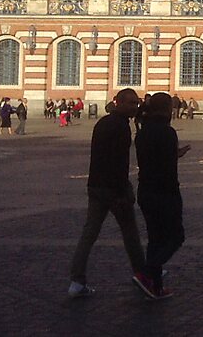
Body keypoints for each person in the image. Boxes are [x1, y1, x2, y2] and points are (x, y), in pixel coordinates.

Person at [67, 89, 147, 298]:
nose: (134, 107)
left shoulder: (103, 122)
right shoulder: (121, 126)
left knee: (89, 233)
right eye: (131, 103)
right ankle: (143, 274)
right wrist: (123, 190)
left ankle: (76, 280)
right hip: (112, 189)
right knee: (130, 234)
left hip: (96, 185)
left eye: (136, 103)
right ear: (118, 102)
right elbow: (119, 162)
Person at [133, 92, 190, 300]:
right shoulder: (167, 132)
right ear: (167, 108)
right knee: (176, 236)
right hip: (165, 191)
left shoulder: (143, 132)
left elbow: (153, 158)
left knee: (155, 239)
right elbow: (165, 164)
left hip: (145, 190)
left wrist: (175, 153)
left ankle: (155, 287)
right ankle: (147, 273)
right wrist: (176, 154)